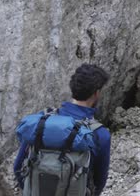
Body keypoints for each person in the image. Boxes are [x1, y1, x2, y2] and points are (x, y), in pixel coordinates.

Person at [13, 64, 111, 196]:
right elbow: (99, 183)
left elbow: (18, 167)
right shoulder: (100, 134)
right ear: (96, 93)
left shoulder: (42, 124)